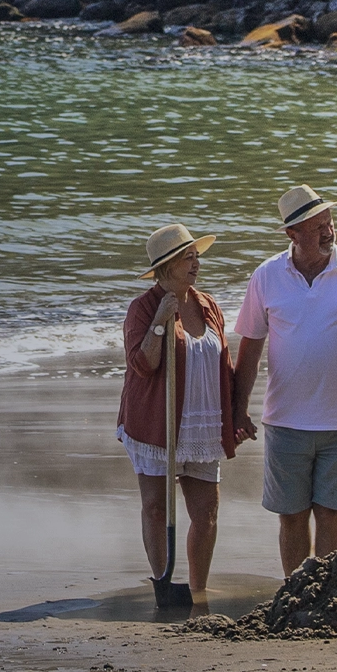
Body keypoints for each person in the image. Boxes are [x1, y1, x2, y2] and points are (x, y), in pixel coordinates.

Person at [233, 185, 337, 574]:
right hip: (286, 419)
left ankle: (328, 594)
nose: (329, 232)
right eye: (318, 226)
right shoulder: (267, 275)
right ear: (293, 234)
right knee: (291, 516)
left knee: (330, 514)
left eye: (330, 222)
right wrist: (238, 411)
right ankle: (295, 593)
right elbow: (250, 350)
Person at [116, 223, 247, 604]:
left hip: (202, 421)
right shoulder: (142, 308)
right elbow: (143, 365)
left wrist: (237, 414)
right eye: (188, 257)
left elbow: (225, 364)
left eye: (196, 256)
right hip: (157, 422)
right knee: (157, 507)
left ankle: (197, 588)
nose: (196, 264)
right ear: (168, 265)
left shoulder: (208, 304)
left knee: (206, 512)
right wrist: (160, 318)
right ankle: (163, 584)